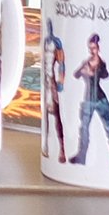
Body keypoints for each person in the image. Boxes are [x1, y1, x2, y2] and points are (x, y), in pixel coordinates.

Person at [71, 33, 109, 169]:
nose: (91, 50)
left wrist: (92, 72)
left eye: (94, 48)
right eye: (90, 48)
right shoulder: (86, 62)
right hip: (88, 99)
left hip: (100, 99)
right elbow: (76, 74)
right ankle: (81, 155)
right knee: (84, 128)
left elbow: (105, 75)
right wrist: (83, 70)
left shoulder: (101, 63)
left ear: (98, 48)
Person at [45, 31, 69, 162]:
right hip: (45, 81)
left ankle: (62, 148)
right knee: (45, 117)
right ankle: (46, 147)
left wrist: (61, 80)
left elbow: (62, 63)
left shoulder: (56, 42)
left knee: (57, 115)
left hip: (51, 81)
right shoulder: (46, 41)